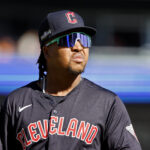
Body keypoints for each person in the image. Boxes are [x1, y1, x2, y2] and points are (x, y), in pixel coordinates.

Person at [0, 10, 142, 150]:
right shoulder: (16, 102)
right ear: (47, 50)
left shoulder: (108, 103)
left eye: (84, 39)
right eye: (69, 39)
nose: (79, 47)